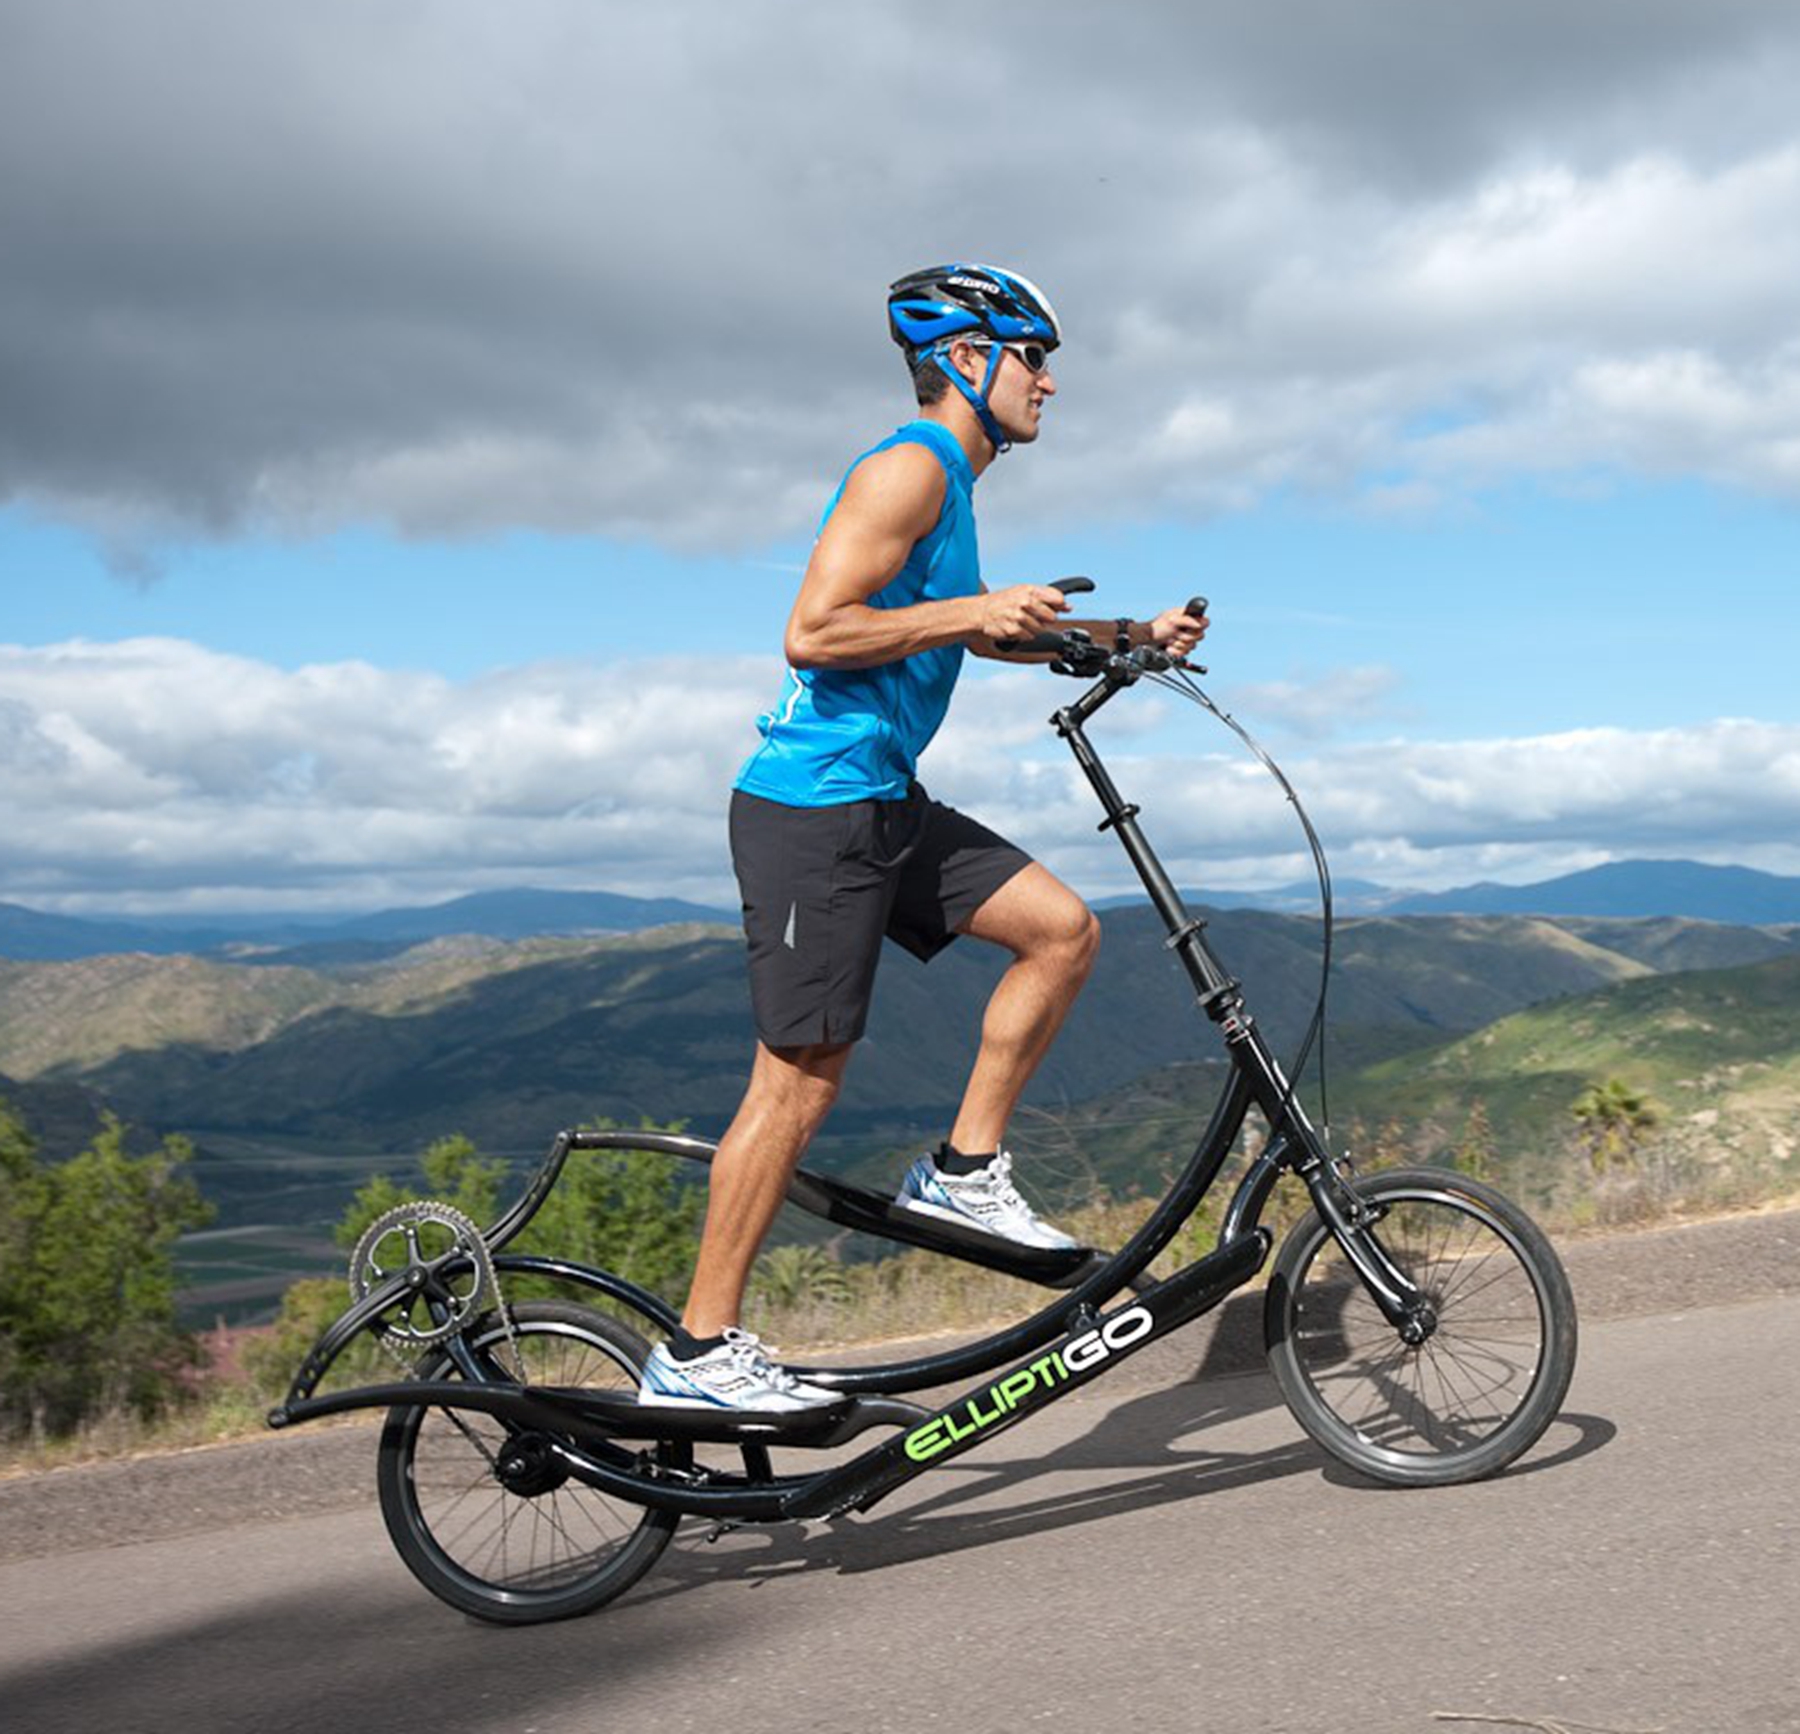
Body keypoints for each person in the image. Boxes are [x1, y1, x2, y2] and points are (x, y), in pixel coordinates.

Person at [638, 263, 1208, 1411]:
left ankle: (963, 1171)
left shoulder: (953, 488)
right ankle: (698, 1355)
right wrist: (971, 611)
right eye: (1032, 357)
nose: (1049, 380)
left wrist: (1123, 634)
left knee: (1059, 931)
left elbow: (979, 631)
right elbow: (814, 630)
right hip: (813, 812)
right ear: (966, 361)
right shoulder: (909, 467)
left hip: (884, 797)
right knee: (799, 1084)